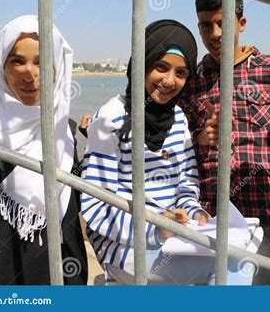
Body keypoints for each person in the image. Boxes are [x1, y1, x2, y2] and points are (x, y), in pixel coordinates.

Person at [81, 19, 255, 285]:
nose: (169, 81)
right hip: (122, 243)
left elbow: (186, 181)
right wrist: (155, 227)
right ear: (143, 63)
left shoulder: (178, 118)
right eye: (161, 67)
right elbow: (96, 205)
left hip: (171, 237)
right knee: (234, 266)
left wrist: (193, 211)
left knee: (242, 256)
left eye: (181, 73)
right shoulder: (110, 119)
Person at [179, 0, 270, 285]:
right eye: (206, 25)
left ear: (241, 23)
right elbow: (178, 137)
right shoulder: (193, 81)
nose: (215, 33)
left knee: (264, 284)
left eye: (223, 22)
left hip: (265, 205)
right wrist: (200, 137)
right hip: (211, 211)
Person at [0, 15, 88, 285]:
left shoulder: (65, 129)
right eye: (17, 61)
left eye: (42, 62)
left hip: (66, 272)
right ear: (2, 65)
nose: (29, 74)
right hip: (6, 278)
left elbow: (77, 199)